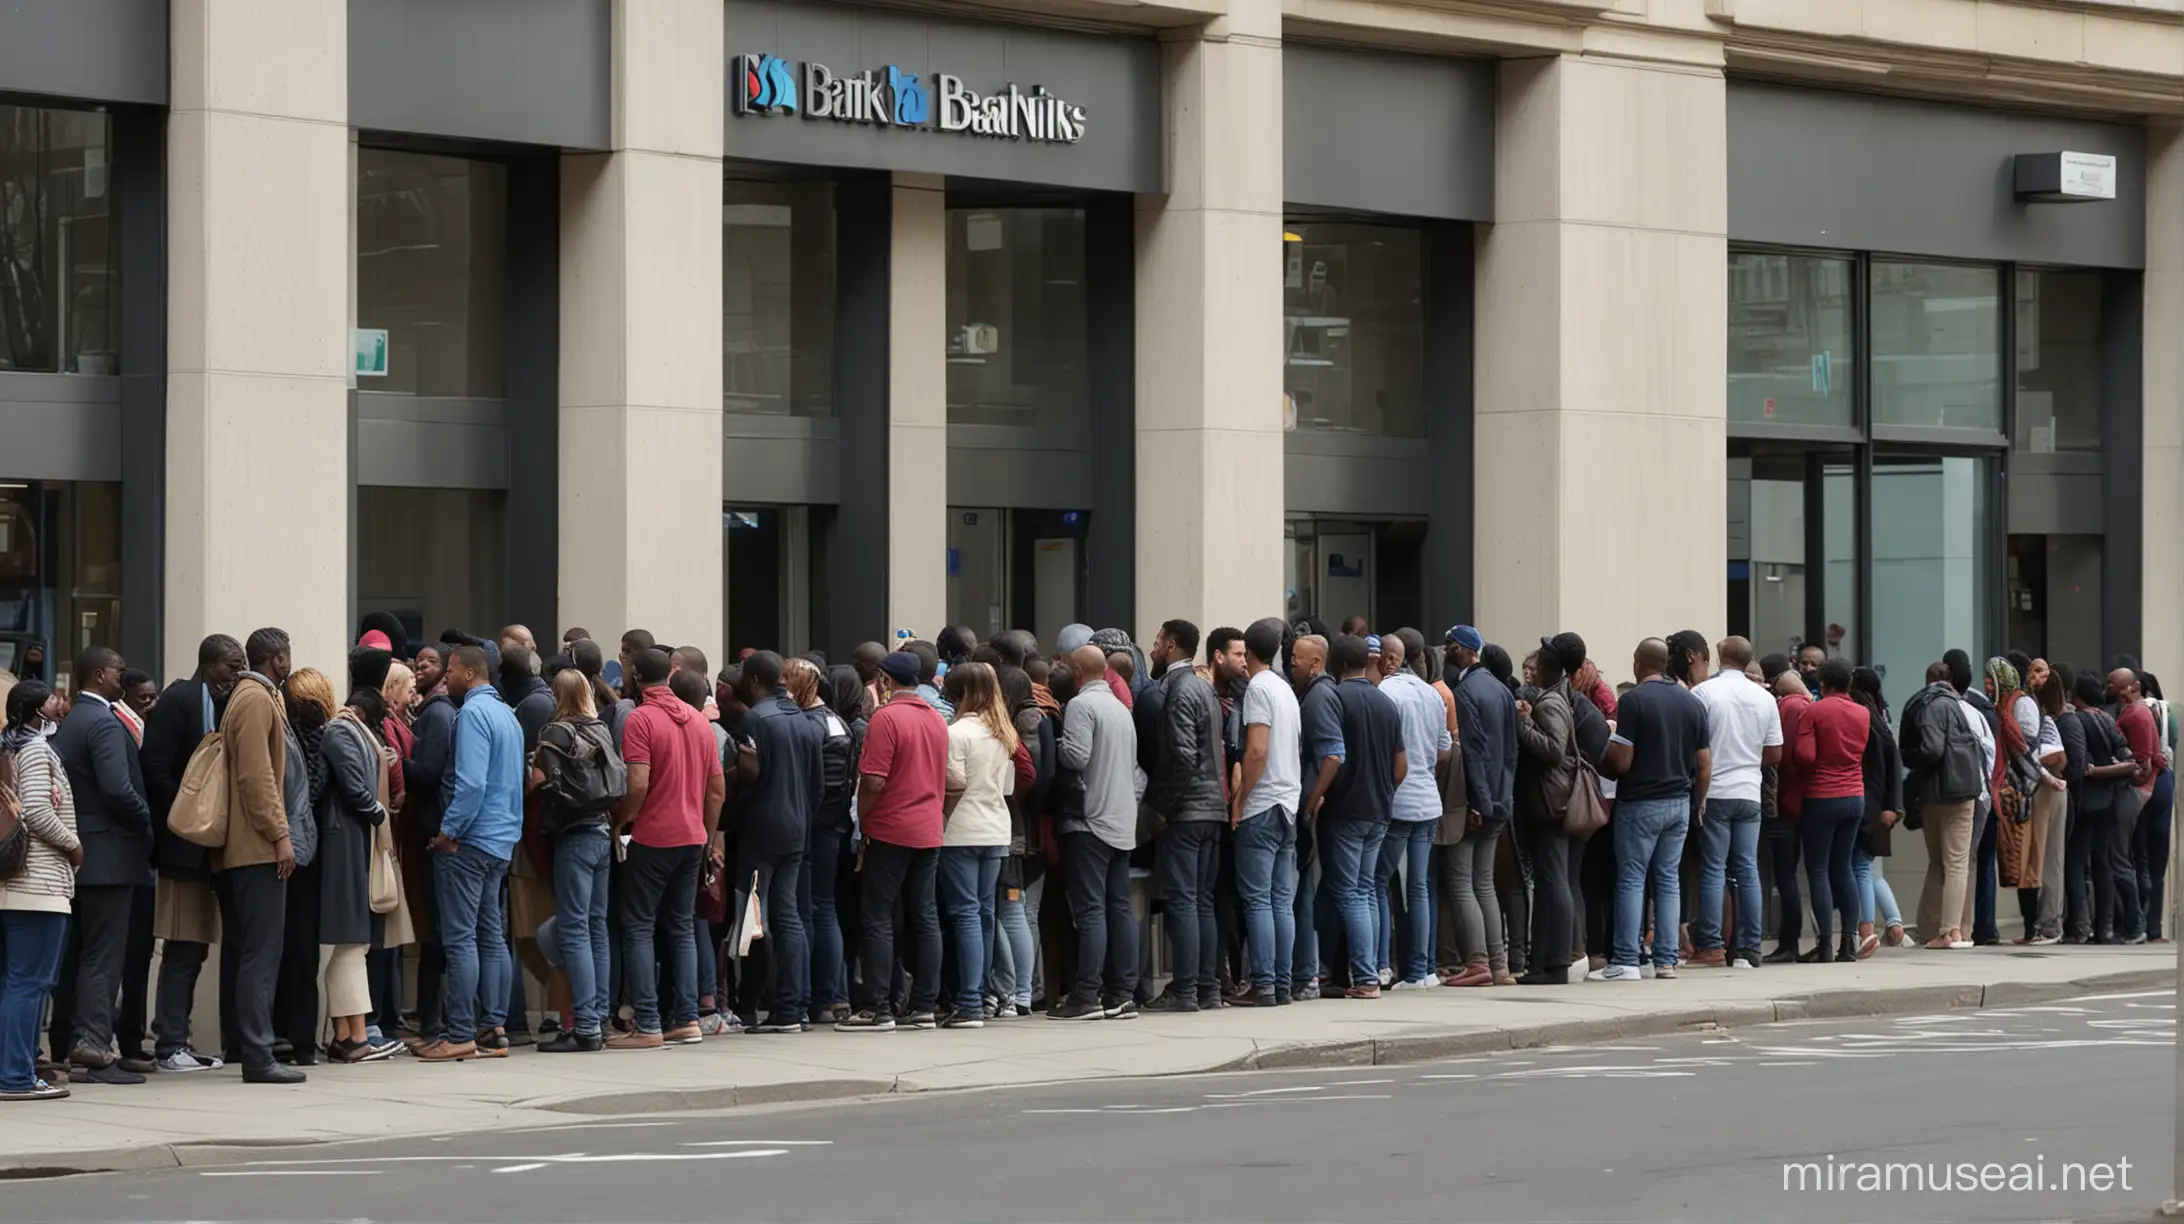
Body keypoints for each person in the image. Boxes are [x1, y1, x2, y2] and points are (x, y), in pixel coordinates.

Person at [600, 648, 724, 1049]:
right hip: (692, 836)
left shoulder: (641, 718)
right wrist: (707, 835)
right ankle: (687, 1017)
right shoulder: (700, 722)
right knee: (681, 925)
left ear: (635, 677)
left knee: (637, 926)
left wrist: (621, 820)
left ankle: (649, 1022)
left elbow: (637, 783)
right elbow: (716, 791)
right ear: (669, 677)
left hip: (654, 835)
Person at [415, 645, 524, 1062]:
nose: (446, 679)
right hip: (500, 840)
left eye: (451, 672)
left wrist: (448, 831)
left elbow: (472, 784)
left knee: (461, 938)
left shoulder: (473, 715)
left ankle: (460, 1032)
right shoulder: (508, 715)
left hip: (470, 839)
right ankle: (493, 1028)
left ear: (469, 674)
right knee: (491, 936)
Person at [51, 645, 153, 1084]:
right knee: (103, 956)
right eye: (118, 672)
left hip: (77, 856)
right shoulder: (104, 724)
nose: (122, 678)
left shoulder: (68, 723)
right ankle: (93, 1046)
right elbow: (117, 789)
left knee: (75, 955)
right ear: (98, 676)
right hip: (110, 856)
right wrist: (146, 820)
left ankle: (65, 1046)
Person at [140, 634, 242, 1073]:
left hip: (209, 850)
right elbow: (154, 769)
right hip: (182, 846)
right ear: (210, 664)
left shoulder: (223, 704)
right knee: (182, 944)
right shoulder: (177, 702)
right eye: (231, 666)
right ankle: (169, 1044)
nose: (237, 674)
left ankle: (175, 1038)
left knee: (196, 946)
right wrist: (190, 807)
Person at [840, 652, 948, 1031]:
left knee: (878, 916)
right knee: (924, 915)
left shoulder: (886, 718)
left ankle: (878, 1006)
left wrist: (863, 820)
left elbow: (873, 780)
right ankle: (923, 1005)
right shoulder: (936, 719)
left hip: (890, 828)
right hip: (928, 828)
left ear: (885, 680)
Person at [215, 628, 302, 1084]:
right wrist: (280, 834)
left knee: (259, 953)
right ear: (277, 658)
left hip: (255, 846)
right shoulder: (253, 698)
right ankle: (257, 1054)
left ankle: (256, 1049)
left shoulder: (257, 695)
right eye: (287, 655)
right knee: (261, 954)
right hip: (255, 848)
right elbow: (256, 776)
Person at [1594, 638, 1709, 982]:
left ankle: (1627, 960)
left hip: (1641, 802)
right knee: (1668, 881)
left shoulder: (1633, 701)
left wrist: (1603, 754)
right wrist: (1698, 801)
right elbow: (1704, 764)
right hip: (1679, 802)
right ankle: (1666, 961)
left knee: (1632, 878)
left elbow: (1623, 761)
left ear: (1639, 662)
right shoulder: (1692, 703)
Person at [1050, 645, 1141, 1020]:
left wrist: (1056, 743)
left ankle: (1086, 994)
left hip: (1090, 821)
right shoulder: (1121, 708)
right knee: (1119, 907)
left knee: (1089, 911)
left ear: (1075, 671)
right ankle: (1122, 993)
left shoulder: (1080, 706)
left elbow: (1077, 757)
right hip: (1122, 819)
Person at [732, 651, 821, 1033]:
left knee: (751, 916)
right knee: (789, 917)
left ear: (753, 681)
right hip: (797, 827)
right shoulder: (805, 719)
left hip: (762, 829)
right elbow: (817, 783)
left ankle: (751, 1001)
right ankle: (793, 1006)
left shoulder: (756, 718)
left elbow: (749, 776)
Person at [0, 681, 80, 1101]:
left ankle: (17, 1070)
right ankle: (16, 1076)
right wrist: (74, 844)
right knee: (29, 982)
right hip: (38, 885)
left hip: (11, 886)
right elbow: (35, 810)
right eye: (52, 698)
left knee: (13, 982)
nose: (60, 702)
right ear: (38, 711)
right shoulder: (35, 750)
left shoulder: (7, 747)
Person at [534, 669, 621, 1053]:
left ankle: (584, 1025)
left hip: (573, 835)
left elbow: (543, 784)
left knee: (572, 930)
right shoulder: (600, 728)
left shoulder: (557, 732)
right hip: (602, 829)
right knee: (595, 927)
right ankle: (599, 1018)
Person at [1144, 620, 1226, 1012]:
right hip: (1212, 807)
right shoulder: (1205, 689)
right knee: (1202, 900)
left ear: (1172, 645)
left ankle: (1187, 989)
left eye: (1158, 641)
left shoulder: (1178, 690)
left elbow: (1182, 756)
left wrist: (1161, 807)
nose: (1153, 648)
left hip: (1188, 810)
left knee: (1183, 901)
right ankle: (1207, 987)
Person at [1318, 634, 1406, 999]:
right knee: (1368, 890)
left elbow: (1332, 756)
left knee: (1351, 894)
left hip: (1345, 810)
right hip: (1379, 810)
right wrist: (1384, 791)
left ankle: (1367, 977)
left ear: (1336, 665)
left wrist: (1318, 796)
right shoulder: (1386, 703)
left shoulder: (1336, 699)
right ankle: (1372, 970)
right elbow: (1402, 766)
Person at [318, 683, 397, 1062]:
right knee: (352, 942)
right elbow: (355, 788)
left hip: (352, 840)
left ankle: (350, 1035)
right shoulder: (342, 731)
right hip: (346, 841)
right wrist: (379, 812)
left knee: (355, 943)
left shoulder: (346, 731)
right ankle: (352, 1038)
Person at [1689, 636, 1779, 970]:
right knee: (1747, 868)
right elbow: (1775, 753)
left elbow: (1693, 746)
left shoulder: (1704, 694)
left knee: (1714, 868)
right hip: (1749, 790)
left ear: (1720, 656)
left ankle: (1711, 946)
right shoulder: (1765, 698)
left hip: (1715, 790)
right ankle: (1749, 947)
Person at [937, 662, 1016, 1028]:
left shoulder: (958, 733)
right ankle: (981, 995)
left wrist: (941, 818)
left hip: (962, 830)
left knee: (966, 914)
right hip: (996, 828)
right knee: (986, 914)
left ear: (962, 693)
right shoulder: (1003, 733)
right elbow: (1009, 787)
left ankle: (968, 1001)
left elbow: (953, 784)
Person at [1230, 619, 1301, 1009]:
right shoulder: (1285, 689)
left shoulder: (1258, 688)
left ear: (1249, 651)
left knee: (1257, 900)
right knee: (1280, 900)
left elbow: (1256, 750)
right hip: (1288, 801)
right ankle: (1282, 983)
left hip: (1264, 803)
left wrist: (1241, 801)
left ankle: (1264, 984)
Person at [1376, 632, 1450, 991]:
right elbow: (1444, 748)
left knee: (1377, 883)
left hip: (1398, 800)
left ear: (1390, 658)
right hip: (1427, 800)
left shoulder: (1387, 693)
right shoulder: (1431, 693)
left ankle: (1380, 966)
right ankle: (1422, 970)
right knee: (1419, 886)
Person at [1444, 625, 1516, 987]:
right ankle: (1498, 965)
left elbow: (1474, 753)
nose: (1446, 652)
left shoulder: (1467, 691)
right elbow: (1508, 751)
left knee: (1462, 882)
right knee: (1483, 882)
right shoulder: (1501, 690)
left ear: (1469, 652)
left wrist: (1476, 801)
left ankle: (1477, 961)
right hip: (1501, 798)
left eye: (1452, 647)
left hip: (1478, 800)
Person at [1901, 661, 1988, 950]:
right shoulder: (1965, 707)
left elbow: (1933, 749)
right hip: (1965, 792)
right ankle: (1952, 930)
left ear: (1928, 679)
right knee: (1957, 862)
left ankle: (1943, 931)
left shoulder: (1928, 705)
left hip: (1935, 792)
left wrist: (1911, 757)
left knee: (1942, 863)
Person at [1795, 659, 1868, 964]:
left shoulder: (1814, 710)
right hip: (1855, 794)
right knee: (1845, 867)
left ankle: (1825, 942)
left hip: (1822, 795)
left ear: (1822, 684)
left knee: (1819, 869)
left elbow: (1804, 755)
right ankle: (1849, 941)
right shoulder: (1862, 713)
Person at [1289, 634, 1343, 999]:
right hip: (1309, 801)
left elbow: (1333, 755)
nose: (1291, 662)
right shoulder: (1315, 693)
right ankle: (1306, 973)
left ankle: (1307, 974)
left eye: (1297, 658)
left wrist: (1313, 799)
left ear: (1316, 663)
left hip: (1310, 806)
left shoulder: (1320, 696)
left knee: (1303, 894)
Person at [2072, 672, 2137, 941]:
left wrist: (2094, 772)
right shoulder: (2107, 720)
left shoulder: (2076, 719)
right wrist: (2106, 771)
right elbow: (2129, 760)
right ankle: (2106, 927)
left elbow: (2079, 764)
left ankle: (2079, 926)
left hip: (2084, 801)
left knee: (2076, 863)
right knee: (2103, 864)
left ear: (2076, 697)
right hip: (2108, 800)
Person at [2112, 667, 2172, 944]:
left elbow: (2140, 763)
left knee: (2135, 857)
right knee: (2156, 863)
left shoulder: (2134, 714)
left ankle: (2134, 925)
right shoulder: (2169, 713)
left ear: (2135, 687)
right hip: (2165, 783)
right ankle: (2154, 928)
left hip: (2142, 786)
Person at [1849, 667, 1905, 955]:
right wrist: (1894, 805)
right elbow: (1894, 763)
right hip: (1877, 805)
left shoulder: (1860, 717)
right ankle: (1889, 924)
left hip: (1861, 802)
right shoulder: (1880, 718)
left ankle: (1866, 929)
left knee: (1859, 867)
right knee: (1868, 869)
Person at [1765, 670, 1810, 963]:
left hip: (1784, 803)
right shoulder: (1811, 706)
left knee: (1785, 875)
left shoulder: (1789, 709)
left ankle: (1789, 941)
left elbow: (1779, 755)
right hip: (1809, 801)